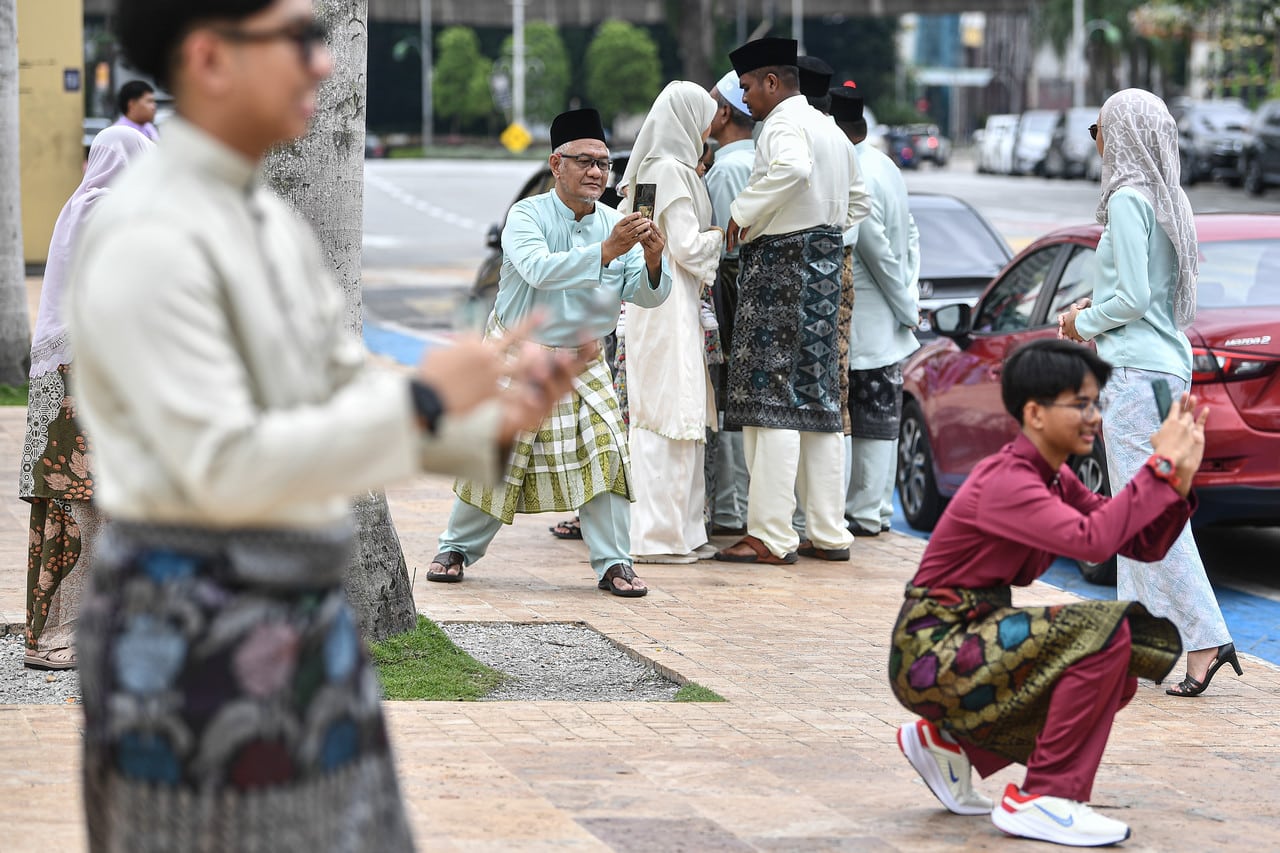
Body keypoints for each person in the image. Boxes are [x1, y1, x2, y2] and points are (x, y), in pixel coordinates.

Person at [68, 2, 589, 848]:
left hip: (302, 612)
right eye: (296, 39)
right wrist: (423, 401)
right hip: (189, 630)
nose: (322, 63)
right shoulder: (146, 233)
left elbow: (339, 385)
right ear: (210, 58)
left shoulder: (263, 215)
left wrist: (489, 412)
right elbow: (222, 464)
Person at [890, 338, 1203, 847]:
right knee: (1108, 633)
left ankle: (954, 745)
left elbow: (1132, 540)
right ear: (1034, 413)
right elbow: (1093, 541)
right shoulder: (1006, 480)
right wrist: (1158, 471)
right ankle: (1044, 798)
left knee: (1121, 662)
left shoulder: (1051, 476)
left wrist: (1178, 482)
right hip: (931, 649)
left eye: (1094, 402)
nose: (1093, 417)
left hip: (966, 639)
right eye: (1080, 403)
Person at [431, 107, 673, 597]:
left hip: (583, 356)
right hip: (520, 350)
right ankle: (454, 547)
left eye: (603, 164)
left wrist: (651, 259)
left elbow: (646, 296)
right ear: (556, 164)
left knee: (606, 449)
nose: (595, 172)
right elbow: (540, 270)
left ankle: (614, 564)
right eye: (583, 161)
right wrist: (607, 250)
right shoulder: (527, 215)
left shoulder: (615, 221)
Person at [1058, 88, 1240, 697]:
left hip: (1137, 374)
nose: (1096, 138)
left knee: (1148, 514)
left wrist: (1080, 321)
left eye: (1099, 127)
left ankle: (1204, 637)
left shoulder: (1132, 200)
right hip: (1160, 367)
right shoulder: (1168, 200)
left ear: (1125, 133)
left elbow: (1132, 301)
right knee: (1137, 517)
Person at [714, 37, 867, 566]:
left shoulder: (782, 123)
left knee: (770, 404)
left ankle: (771, 535)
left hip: (780, 268)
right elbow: (859, 200)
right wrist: (826, 230)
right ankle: (829, 532)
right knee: (818, 399)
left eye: (750, 86)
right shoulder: (830, 129)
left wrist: (744, 212)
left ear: (774, 83)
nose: (747, 98)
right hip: (825, 268)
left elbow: (793, 169)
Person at [19, 127, 153, 671]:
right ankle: (80, 634)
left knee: (69, 511)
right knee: (97, 508)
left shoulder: (79, 208)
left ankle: (53, 632)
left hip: (61, 380)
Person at [616, 81, 722, 564]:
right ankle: (659, 535)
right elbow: (682, 244)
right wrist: (721, 236)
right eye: (703, 119)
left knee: (674, 407)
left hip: (665, 300)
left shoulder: (668, 169)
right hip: (664, 303)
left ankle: (679, 531)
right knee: (665, 409)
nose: (708, 128)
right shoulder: (669, 172)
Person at [829, 88, 920, 538]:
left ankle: (862, 514)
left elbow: (875, 247)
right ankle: (876, 511)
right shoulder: (887, 164)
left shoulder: (856, 168)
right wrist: (910, 298)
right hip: (891, 313)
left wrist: (905, 305)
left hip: (866, 314)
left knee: (861, 421)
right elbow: (913, 237)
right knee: (882, 418)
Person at [703, 70, 755, 537]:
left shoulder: (727, 169)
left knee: (728, 404)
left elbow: (718, 246)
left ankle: (728, 509)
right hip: (752, 291)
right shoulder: (761, 157)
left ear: (723, 114)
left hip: (730, 292)